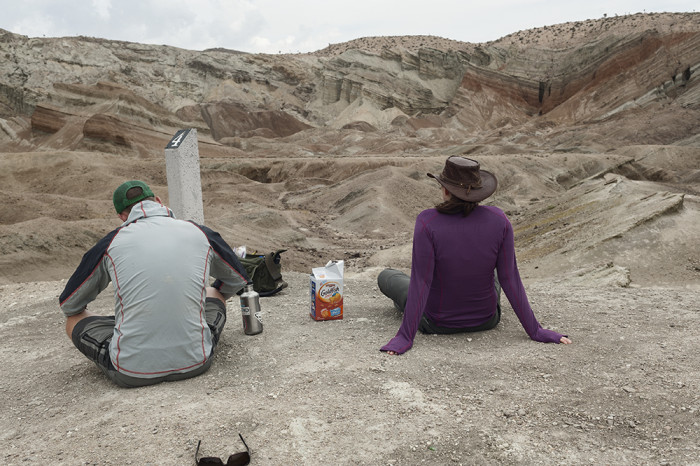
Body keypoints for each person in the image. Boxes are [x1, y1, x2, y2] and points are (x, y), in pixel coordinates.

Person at [59, 180, 249, 387]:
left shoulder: (111, 242)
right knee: (213, 293)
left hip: (131, 372)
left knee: (74, 319)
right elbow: (238, 279)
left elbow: (70, 304)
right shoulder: (200, 232)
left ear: (122, 216)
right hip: (196, 362)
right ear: (159, 202)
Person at [379, 157, 572, 355]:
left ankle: (401, 301)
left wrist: (405, 337)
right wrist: (536, 330)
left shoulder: (427, 221)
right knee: (494, 274)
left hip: (437, 323)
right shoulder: (499, 220)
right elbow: (510, 278)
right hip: (487, 320)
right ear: (479, 193)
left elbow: (421, 281)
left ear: (445, 189)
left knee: (387, 277)